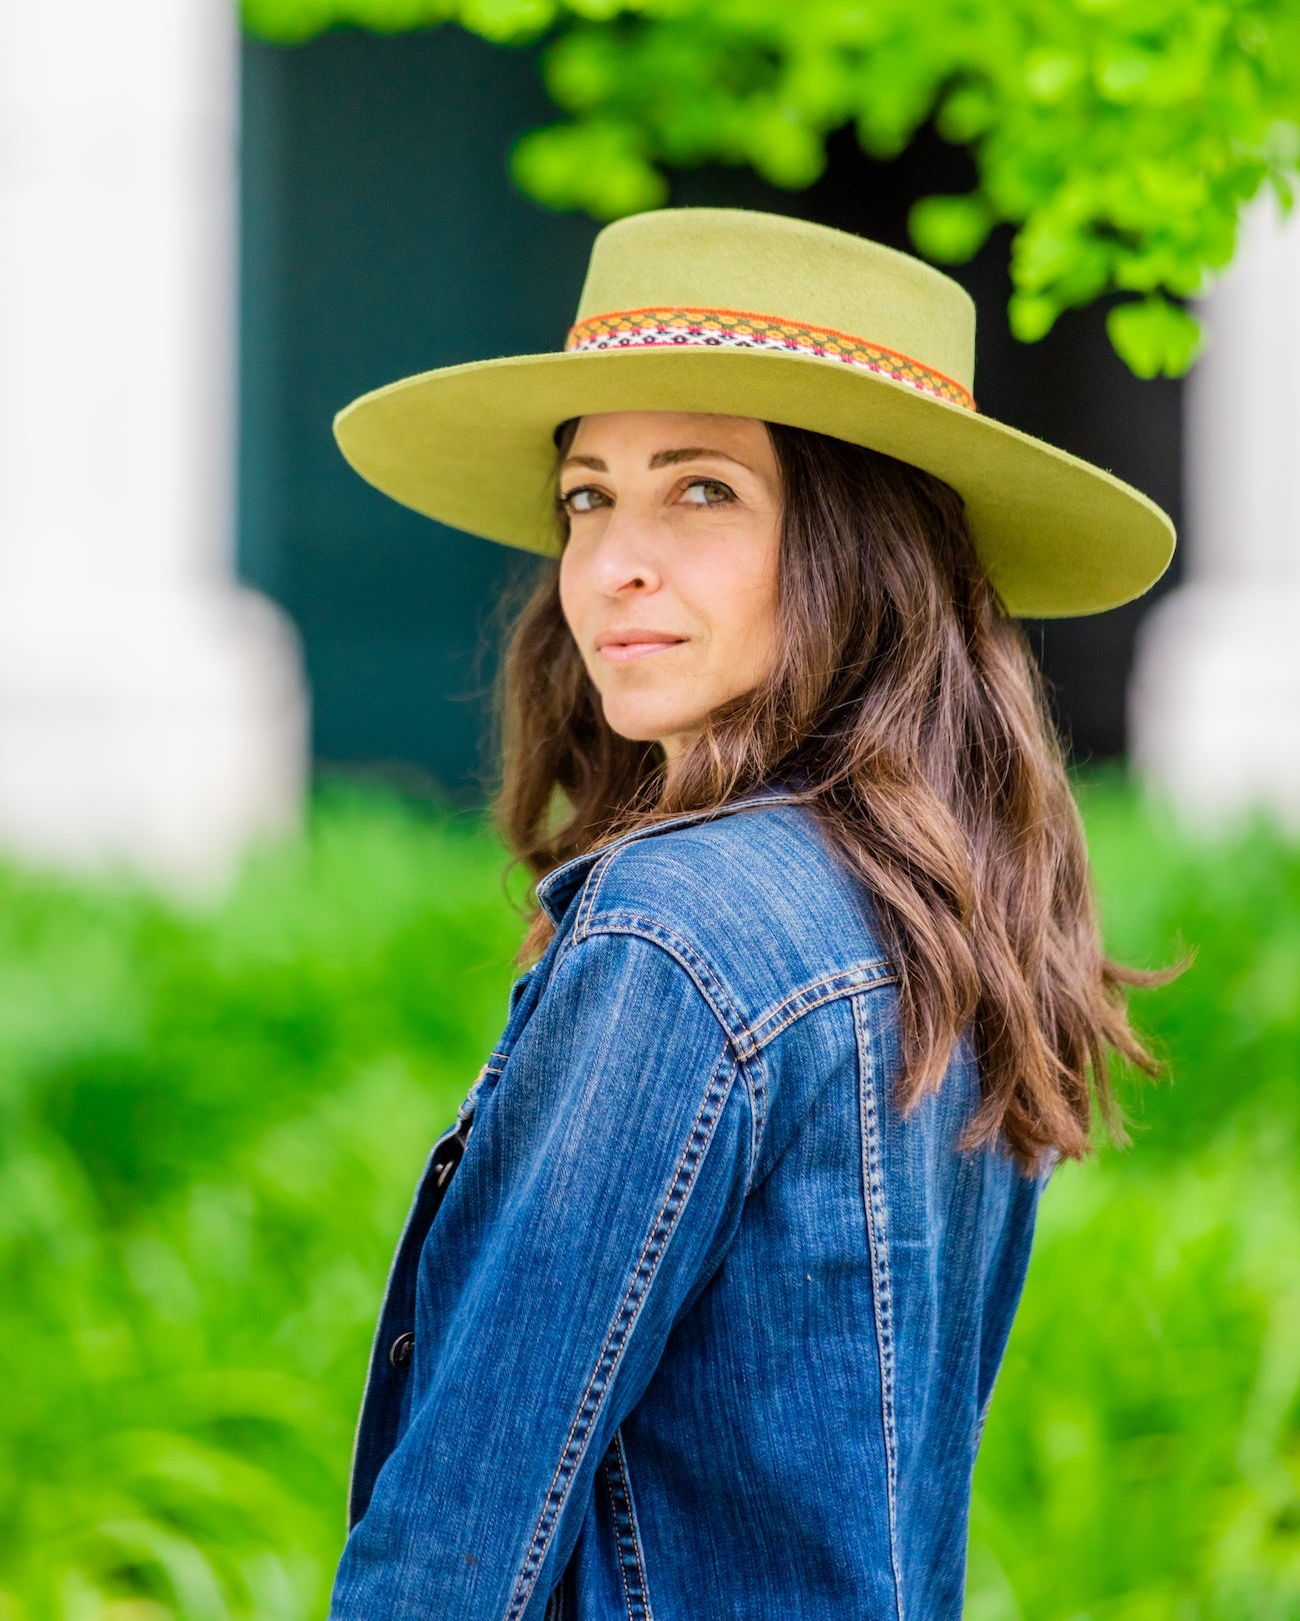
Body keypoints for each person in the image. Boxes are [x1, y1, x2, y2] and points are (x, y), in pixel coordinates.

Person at [327, 207, 1175, 1620]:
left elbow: (454, 1545)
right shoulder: (940, 918)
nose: (613, 563)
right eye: (589, 495)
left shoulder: (680, 930)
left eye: (702, 489)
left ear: (859, 541)